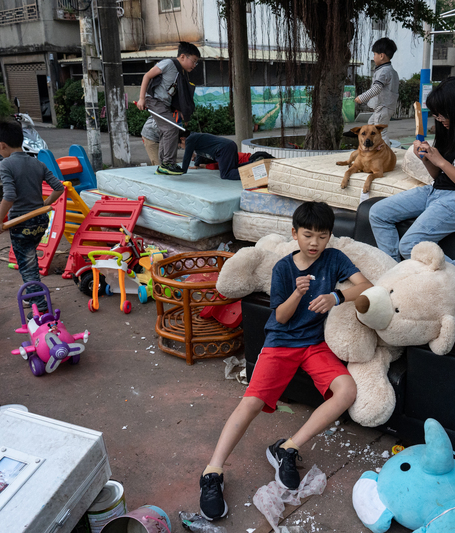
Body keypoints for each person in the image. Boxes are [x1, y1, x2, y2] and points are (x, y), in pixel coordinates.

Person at [198, 201, 372, 521]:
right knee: (250, 403)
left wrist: (337, 296)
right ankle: (212, 473)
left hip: (315, 344)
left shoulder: (333, 259)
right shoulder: (283, 268)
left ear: (329, 237)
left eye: (322, 236)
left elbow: (366, 286)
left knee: (346, 390)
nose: (315, 242)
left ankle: (288, 448)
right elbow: (280, 316)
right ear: (295, 234)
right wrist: (297, 293)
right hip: (280, 343)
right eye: (308, 235)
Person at [368, 77, 455, 302]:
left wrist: (440, 161)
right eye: (437, 114)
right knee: (378, 213)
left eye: (442, 114)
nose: (439, 119)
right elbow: (440, 176)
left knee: (410, 245)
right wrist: (427, 158)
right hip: (436, 191)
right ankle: (394, 277)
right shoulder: (450, 131)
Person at [0, 120, 64, 317]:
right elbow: (59, 187)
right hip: (40, 221)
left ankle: (40, 308)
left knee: (28, 266)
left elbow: (10, 195)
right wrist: (43, 206)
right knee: (29, 259)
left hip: (20, 223)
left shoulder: (6, 164)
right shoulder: (37, 162)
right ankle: (34, 297)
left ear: (2, 145)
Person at [136, 41, 200, 175]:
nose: (194, 65)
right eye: (193, 61)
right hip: (154, 100)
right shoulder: (169, 64)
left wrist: (182, 111)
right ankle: (168, 163)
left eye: (196, 63)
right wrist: (142, 98)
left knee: (166, 130)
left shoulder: (180, 72)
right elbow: (147, 76)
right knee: (171, 128)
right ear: (183, 57)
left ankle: (164, 164)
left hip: (165, 104)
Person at [355, 37, 399, 147]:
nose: (374, 57)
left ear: (381, 55)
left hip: (383, 107)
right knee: (371, 126)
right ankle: (376, 149)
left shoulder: (384, 71)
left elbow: (376, 89)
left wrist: (361, 98)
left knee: (381, 131)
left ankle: (386, 154)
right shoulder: (392, 71)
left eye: (374, 54)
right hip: (386, 107)